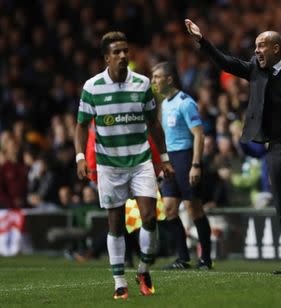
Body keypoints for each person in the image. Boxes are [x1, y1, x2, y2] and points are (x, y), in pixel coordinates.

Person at [185, 19, 281, 274]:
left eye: (262, 45)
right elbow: (226, 62)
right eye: (255, 46)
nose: (256, 51)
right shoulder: (255, 69)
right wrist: (202, 41)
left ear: (276, 48)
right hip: (274, 148)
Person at [74, 31, 174, 300]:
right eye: (116, 52)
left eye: (125, 51)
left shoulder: (142, 84)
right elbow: (81, 125)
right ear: (106, 57)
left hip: (140, 160)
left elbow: (153, 124)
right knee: (116, 223)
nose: (122, 56)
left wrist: (164, 159)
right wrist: (80, 157)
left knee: (150, 217)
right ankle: (119, 281)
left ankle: (143, 269)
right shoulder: (92, 87)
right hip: (109, 164)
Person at [151, 61, 212, 270]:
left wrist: (196, 164)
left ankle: (205, 259)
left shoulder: (186, 102)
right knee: (169, 209)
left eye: (157, 77)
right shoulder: (164, 104)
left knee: (193, 208)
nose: (154, 82)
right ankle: (182, 258)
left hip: (186, 158)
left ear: (169, 79)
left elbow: (199, 135)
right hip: (170, 160)